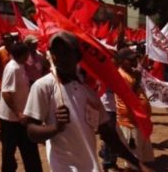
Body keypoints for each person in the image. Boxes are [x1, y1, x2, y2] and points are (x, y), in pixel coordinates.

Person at [24, 31, 151, 172]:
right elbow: (31, 131)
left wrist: (138, 164)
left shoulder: (88, 93)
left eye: (66, 52)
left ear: (77, 56)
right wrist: (55, 128)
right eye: (56, 52)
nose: (61, 57)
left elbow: (108, 135)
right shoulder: (43, 87)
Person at [0, 42, 42, 172]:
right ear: (23, 54)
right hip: (11, 119)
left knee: (29, 149)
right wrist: (18, 113)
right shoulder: (13, 68)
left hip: (21, 118)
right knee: (9, 150)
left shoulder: (20, 66)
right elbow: (6, 93)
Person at [114, 47, 155, 171]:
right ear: (121, 61)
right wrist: (137, 80)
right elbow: (128, 97)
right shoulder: (120, 75)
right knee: (133, 161)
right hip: (130, 124)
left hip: (139, 121)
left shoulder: (131, 73)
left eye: (135, 59)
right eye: (130, 60)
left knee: (142, 158)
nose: (134, 62)